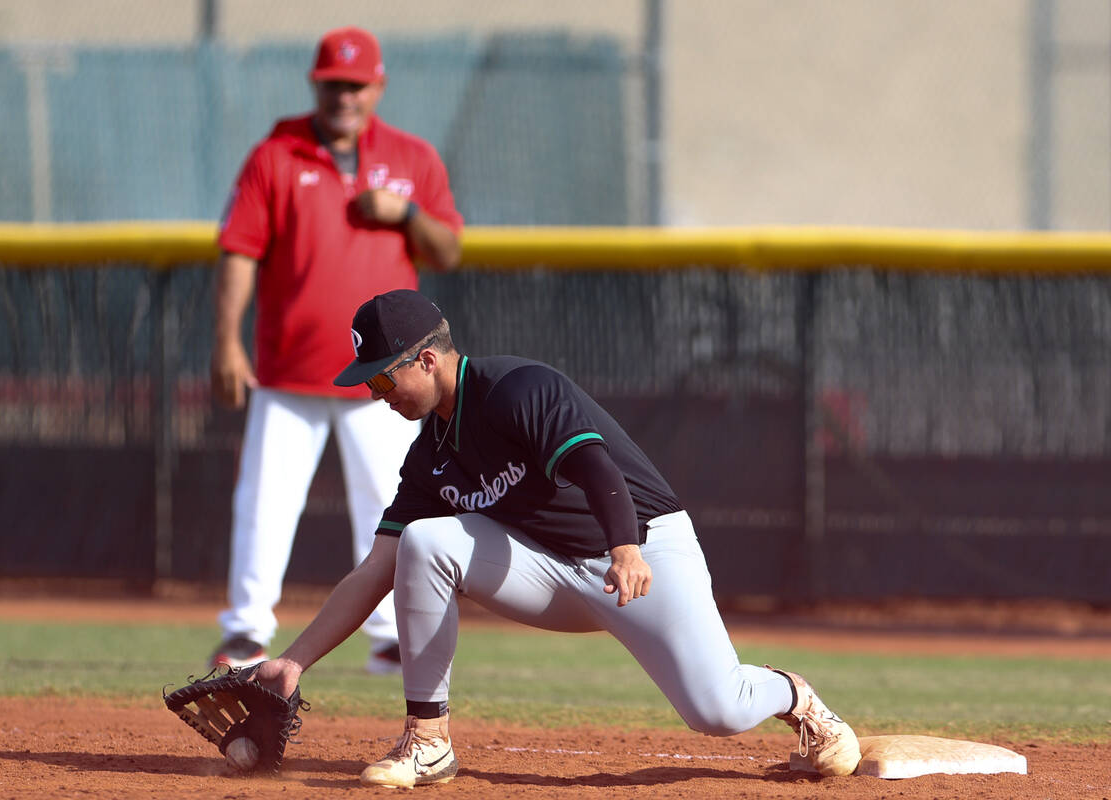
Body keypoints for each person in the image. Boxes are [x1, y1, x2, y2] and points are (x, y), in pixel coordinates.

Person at [249, 288, 863, 788]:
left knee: (718, 711)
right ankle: (428, 742)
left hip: (644, 549)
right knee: (424, 543)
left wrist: (625, 549)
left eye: (382, 380)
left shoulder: (516, 389)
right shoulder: (428, 458)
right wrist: (293, 660)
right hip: (550, 571)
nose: (374, 395)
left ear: (426, 360)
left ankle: (793, 695)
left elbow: (598, 467)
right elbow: (375, 570)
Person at [208, 27, 464, 675]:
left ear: (377, 87)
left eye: (355, 84)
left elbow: (449, 250)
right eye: (332, 84)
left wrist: (406, 215)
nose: (343, 95)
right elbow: (240, 251)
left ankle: (388, 635)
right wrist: (225, 342)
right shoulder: (276, 154)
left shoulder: (412, 157)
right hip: (288, 368)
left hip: (387, 378)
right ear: (315, 86)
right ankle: (245, 632)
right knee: (264, 505)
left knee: (391, 507)